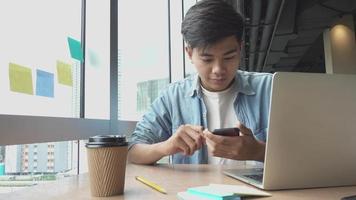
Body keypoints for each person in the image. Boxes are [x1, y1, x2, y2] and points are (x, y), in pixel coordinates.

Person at [128, 0, 272, 165]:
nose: (218, 69)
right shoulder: (173, 98)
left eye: (229, 57)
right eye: (207, 59)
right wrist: (166, 147)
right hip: (194, 190)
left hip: (260, 191)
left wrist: (258, 151)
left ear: (240, 48)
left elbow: (305, 151)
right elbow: (132, 152)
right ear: (189, 53)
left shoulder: (270, 90)